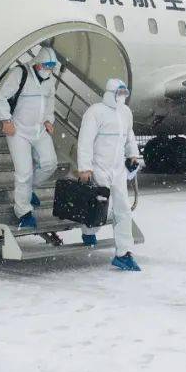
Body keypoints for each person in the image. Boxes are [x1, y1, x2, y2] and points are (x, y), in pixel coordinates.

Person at [0, 47, 59, 229]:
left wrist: (48, 120)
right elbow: (0, 97)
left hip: (39, 130)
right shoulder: (19, 73)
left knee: (50, 163)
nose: (49, 69)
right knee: (24, 173)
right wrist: (6, 119)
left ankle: (28, 190)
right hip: (18, 131)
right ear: (37, 63)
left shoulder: (49, 79)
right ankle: (23, 211)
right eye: (46, 65)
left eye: (52, 66)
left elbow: (50, 101)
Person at [77, 78, 141, 271]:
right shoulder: (95, 112)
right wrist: (85, 168)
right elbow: (85, 141)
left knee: (123, 210)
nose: (122, 97)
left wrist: (133, 155)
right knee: (97, 207)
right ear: (110, 92)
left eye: (125, 94)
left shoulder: (125, 113)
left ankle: (124, 253)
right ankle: (89, 231)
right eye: (119, 93)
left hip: (118, 169)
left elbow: (129, 137)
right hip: (99, 168)